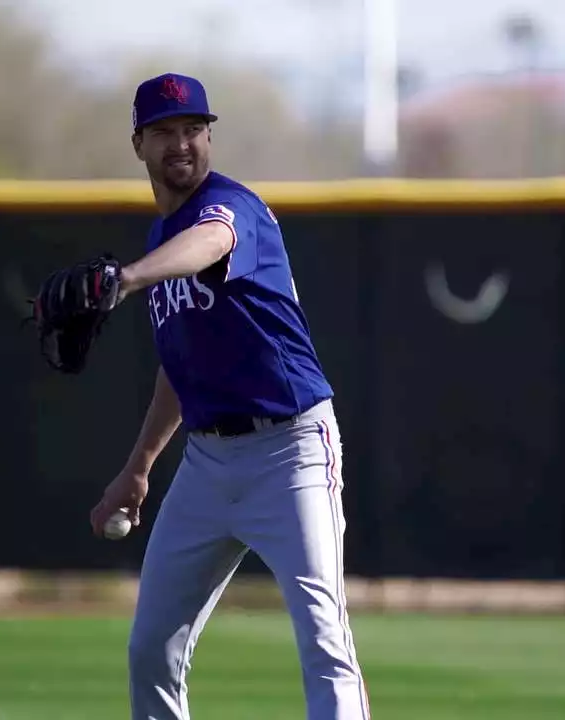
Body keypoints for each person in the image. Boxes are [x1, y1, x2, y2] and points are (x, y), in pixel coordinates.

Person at [88, 73, 371, 720]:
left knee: (325, 641)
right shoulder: (161, 241)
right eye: (164, 132)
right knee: (151, 650)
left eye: (193, 129)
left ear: (210, 136)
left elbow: (212, 242)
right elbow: (180, 365)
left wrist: (126, 279)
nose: (181, 144)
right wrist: (138, 469)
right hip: (208, 466)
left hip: (292, 452)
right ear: (138, 145)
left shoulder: (229, 206)